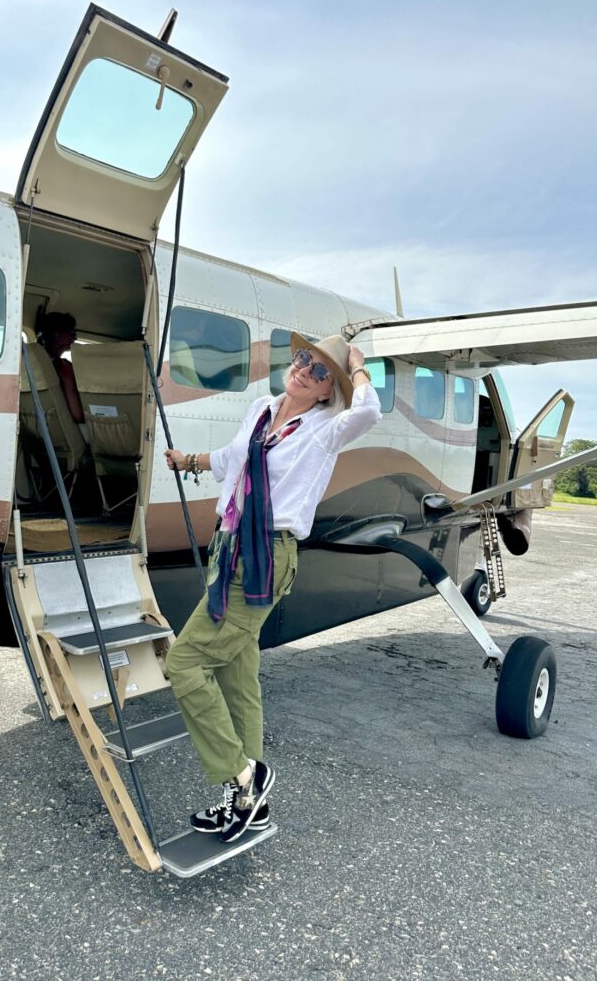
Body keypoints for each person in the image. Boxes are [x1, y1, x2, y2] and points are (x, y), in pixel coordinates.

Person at [164, 333, 382, 844]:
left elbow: (368, 412)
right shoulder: (262, 409)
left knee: (186, 664)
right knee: (239, 678)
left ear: (330, 391)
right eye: (304, 359)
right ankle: (248, 809)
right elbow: (232, 461)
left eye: (322, 371)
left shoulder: (326, 428)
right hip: (229, 545)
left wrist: (359, 367)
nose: (305, 369)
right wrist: (188, 461)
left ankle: (245, 777)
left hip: (265, 555)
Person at [37, 311, 85, 424]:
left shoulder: (34, 364)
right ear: (57, 334)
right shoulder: (65, 368)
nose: (75, 339)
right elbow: (77, 415)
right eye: (72, 334)